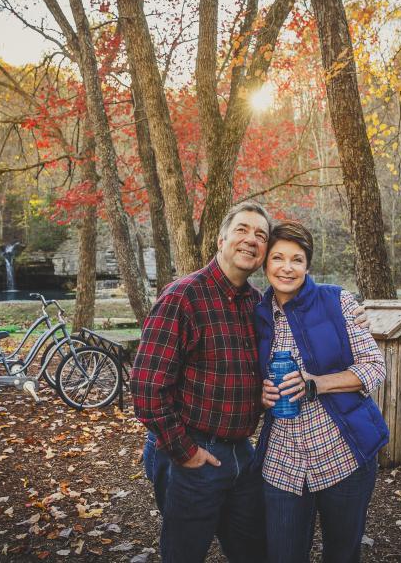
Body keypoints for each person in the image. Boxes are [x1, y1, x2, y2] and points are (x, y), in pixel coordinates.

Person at [130, 202, 274, 563]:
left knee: (254, 550)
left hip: (243, 452)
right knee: (185, 553)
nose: (251, 240)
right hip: (192, 451)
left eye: (260, 235)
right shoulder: (183, 296)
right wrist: (184, 451)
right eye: (242, 229)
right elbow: (147, 386)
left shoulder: (255, 303)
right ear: (221, 238)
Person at [255, 220, 388, 563]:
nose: (287, 267)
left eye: (296, 259)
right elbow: (245, 374)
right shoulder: (254, 315)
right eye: (278, 258)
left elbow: (375, 366)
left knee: (342, 555)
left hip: (342, 453)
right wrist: (261, 395)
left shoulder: (336, 301)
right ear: (265, 262)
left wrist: (315, 383)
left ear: (307, 265)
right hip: (282, 461)